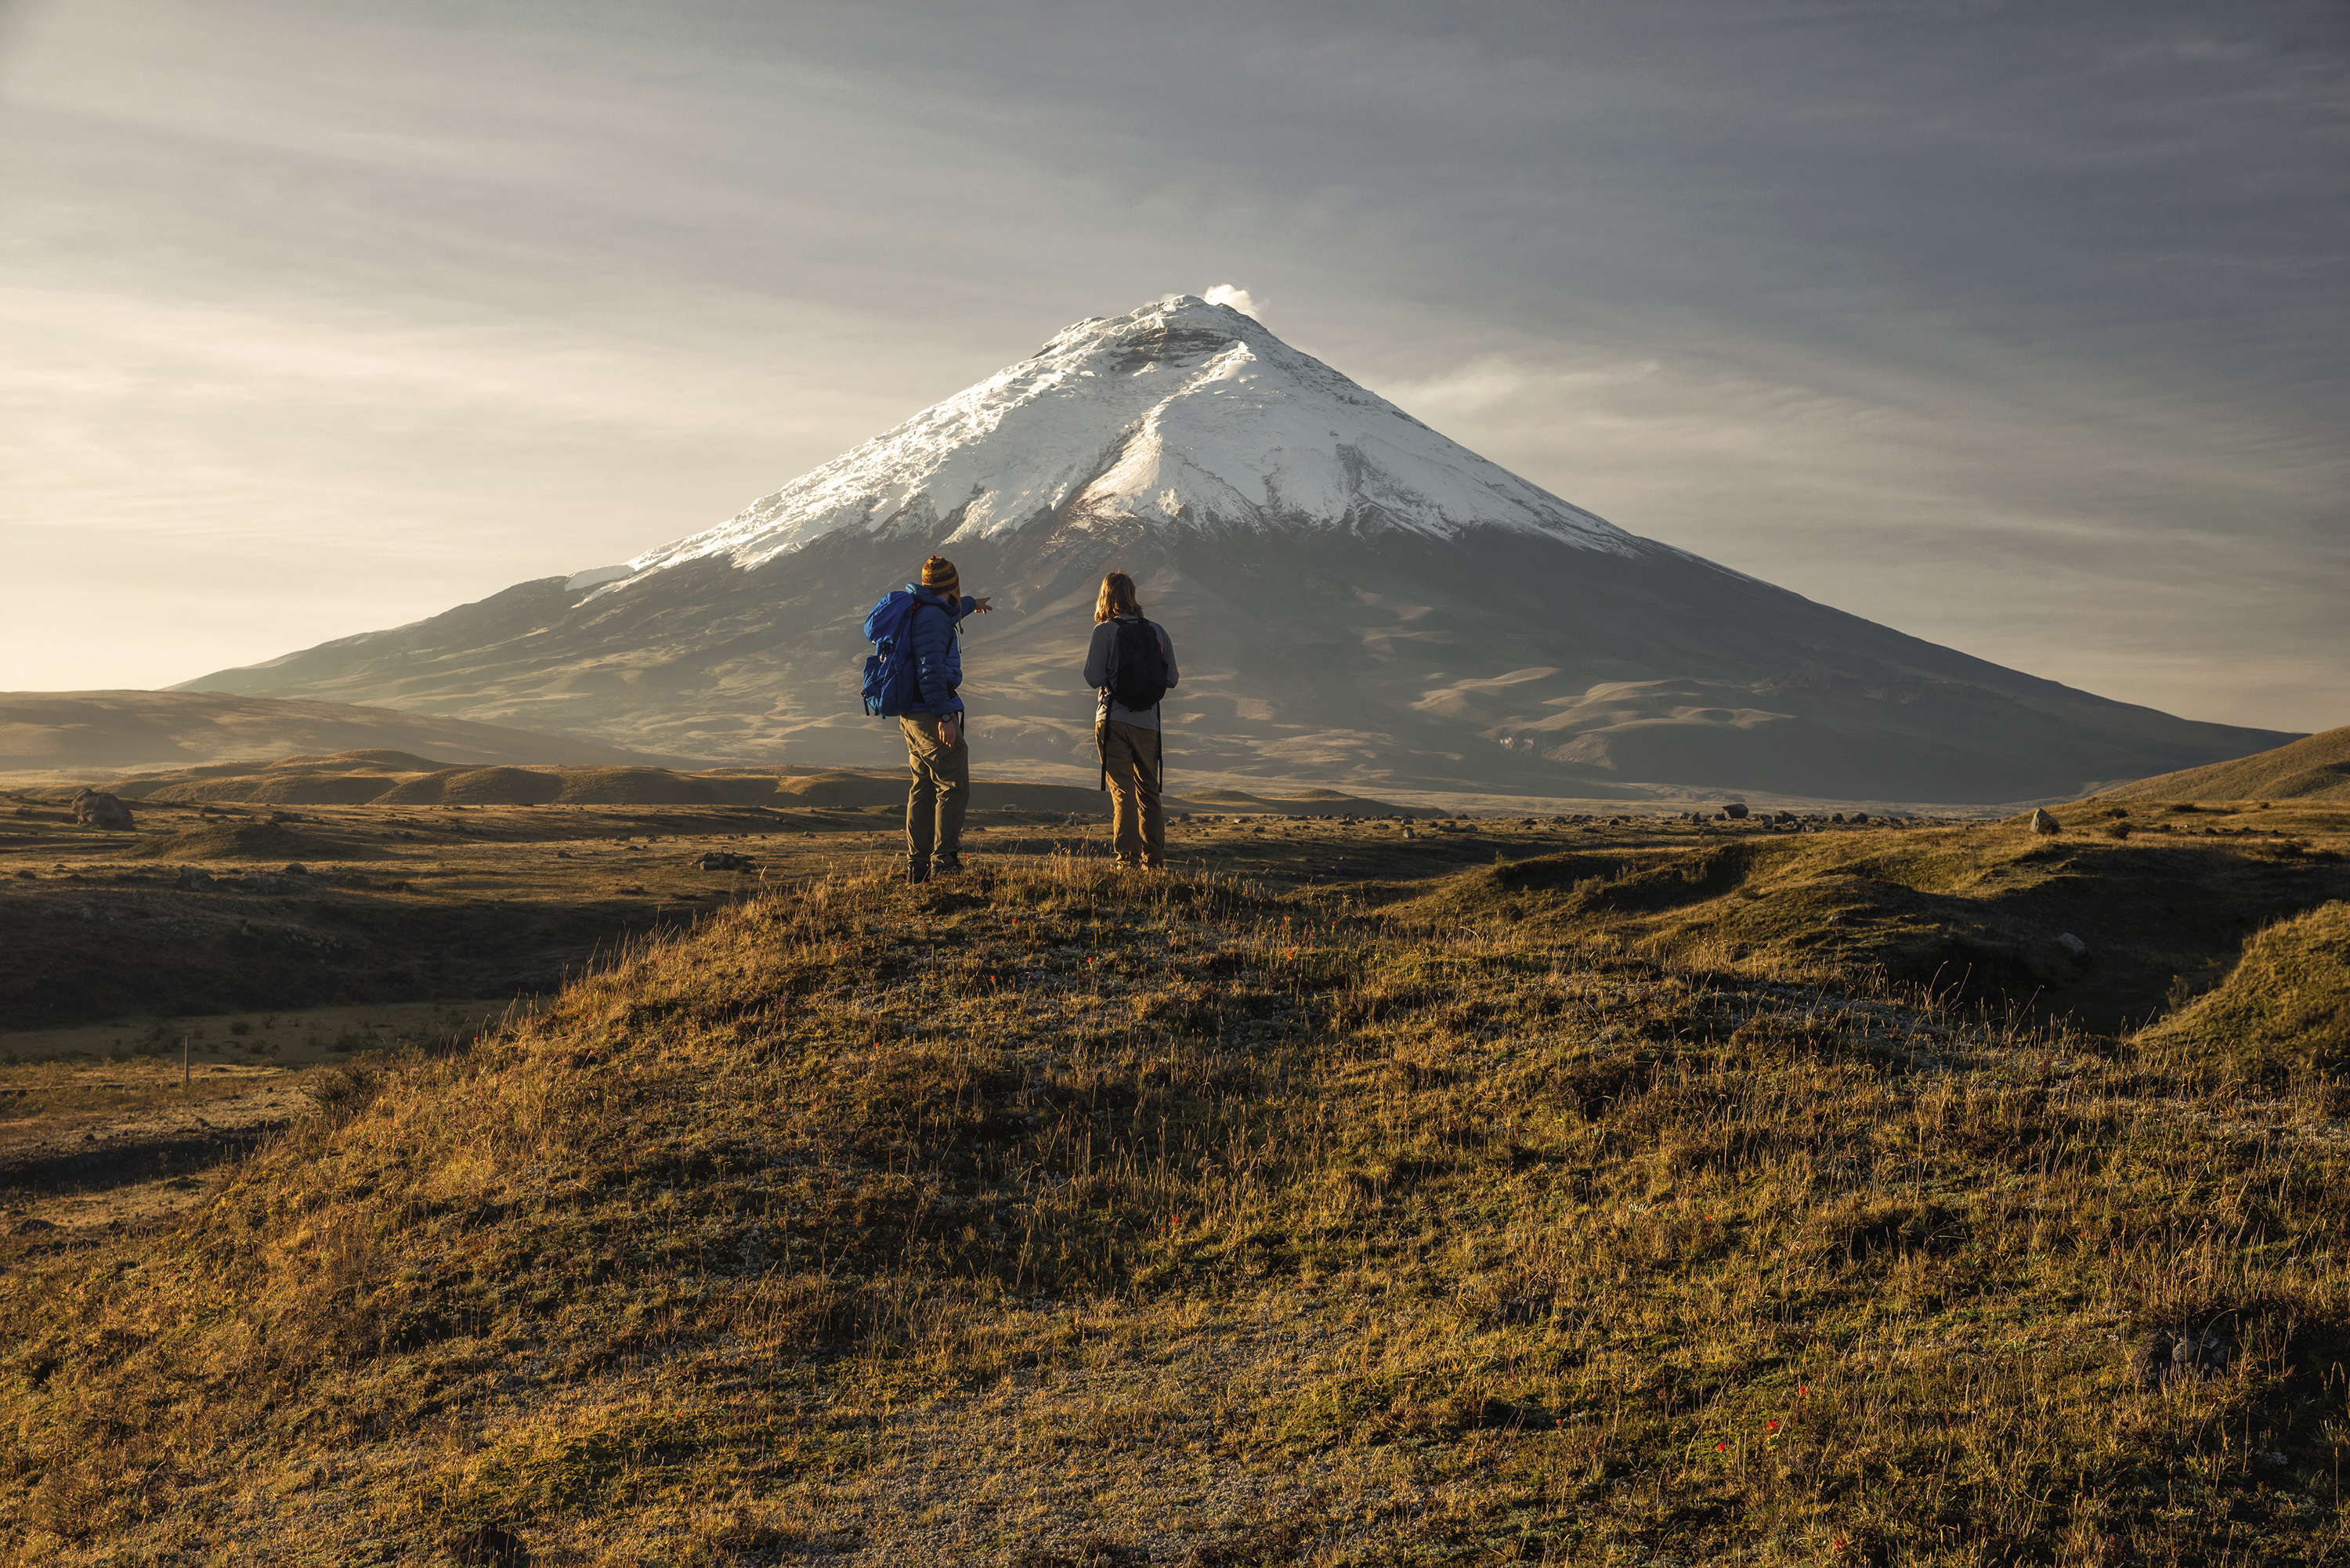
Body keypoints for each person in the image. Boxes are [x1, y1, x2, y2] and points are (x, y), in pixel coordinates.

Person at [898, 554, 990, 883]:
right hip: (930, 711)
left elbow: (947, 611)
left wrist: (970, 604)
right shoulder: (935, 619)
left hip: (912, 713)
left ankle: (918, 865)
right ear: (950, 585)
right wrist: (944, 715)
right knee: (953, 781)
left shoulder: (923, 608)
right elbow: (931, 670)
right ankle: (945, 861)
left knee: (923, 784)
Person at [1083, 571, 1177, 871]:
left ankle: (1127, 862)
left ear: (1105, 597)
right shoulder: (1158, 632)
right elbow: (1172, 679)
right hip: (1149, 724)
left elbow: (1093, 677)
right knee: (1149, 791)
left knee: (1123, 791)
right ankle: (1155, 861)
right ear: (1133, 595)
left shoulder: (1105, 631)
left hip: (1113, 719)